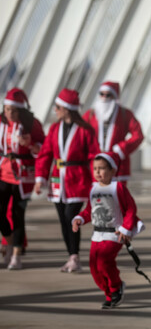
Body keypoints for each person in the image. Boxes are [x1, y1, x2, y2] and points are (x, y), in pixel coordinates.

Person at [34, 88, 100, 273]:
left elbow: (94, 156)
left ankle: (75, 257)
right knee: (63, 220)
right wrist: (40, 178)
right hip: (57, 178)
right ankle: (71, 256)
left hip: (77, 178)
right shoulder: (54, 128)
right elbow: (45, 154)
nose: (55, 110)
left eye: (58, 107)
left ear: (67, 108)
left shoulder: (85, 130)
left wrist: (97, 181)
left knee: (71, 217)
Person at [72, 152, 144, 309]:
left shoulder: (118, 188)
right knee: (93, 267)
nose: (98, 172)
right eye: (95, 168)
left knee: (104, 262)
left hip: (115, 234)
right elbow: (90, 211)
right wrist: (79, 219)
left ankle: (116, 287)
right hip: (97, 234)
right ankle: (109, 293)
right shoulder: (93, 189)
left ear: (112, 171)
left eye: (102, 168)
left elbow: (131, 209)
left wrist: (126, 229)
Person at [0, 88, 45, 270]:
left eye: (14, 110)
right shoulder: (1, 123)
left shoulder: (32, 125)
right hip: (3, 172)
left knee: (18, 215)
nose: (10, 113)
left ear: (21, 111)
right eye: (7, 109)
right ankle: (9, 242)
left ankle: (16, 254)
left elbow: (44, 149)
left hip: (23, 176)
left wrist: (31, 145)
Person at [83, 81, 144, 182]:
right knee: (96, 196)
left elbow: (138, 135)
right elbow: (80, 135)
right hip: (96, 164)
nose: (104, 97)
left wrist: (121, 148)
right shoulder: (90, 115)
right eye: (101, 94)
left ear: (115, 97)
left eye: (108, 95)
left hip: (118, 165)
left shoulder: (125, 114)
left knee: (117, 195)